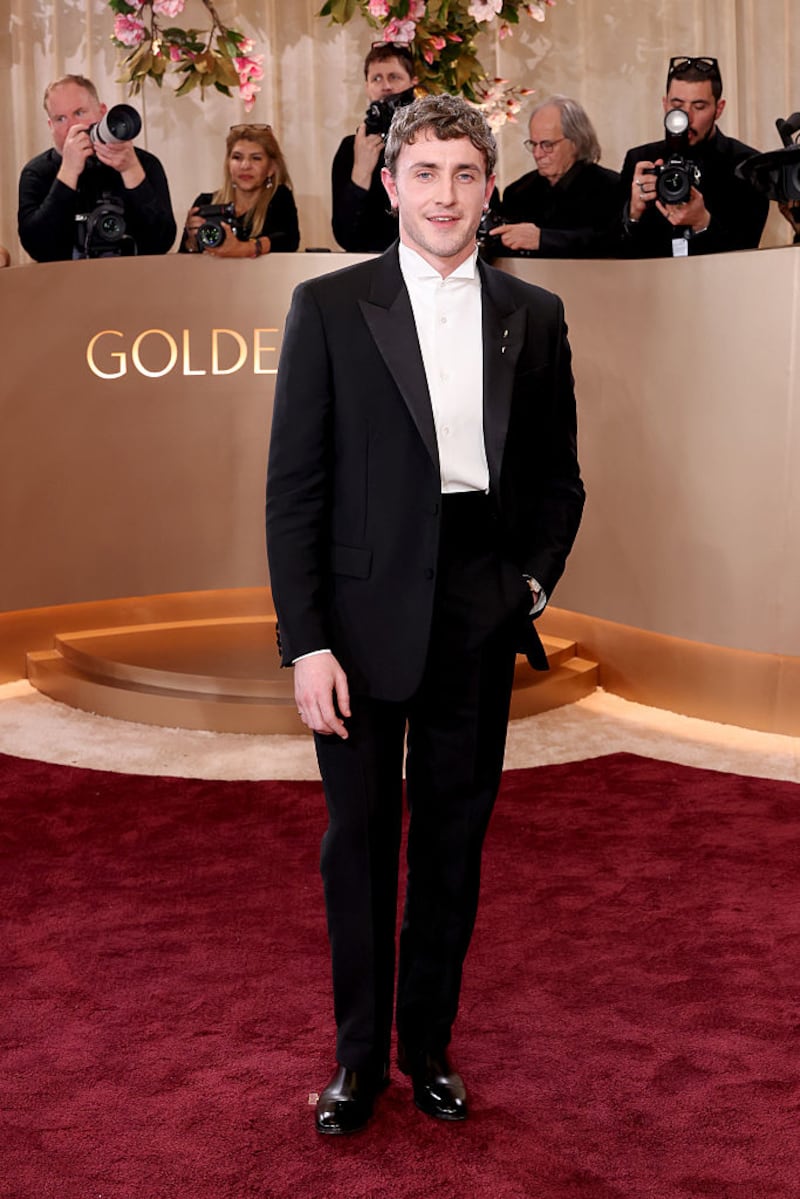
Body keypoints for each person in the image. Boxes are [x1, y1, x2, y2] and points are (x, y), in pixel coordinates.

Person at [266, 93, 585, 1136]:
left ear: (487, 189)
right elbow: (295, 492)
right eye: (425, 173)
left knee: (453, 846)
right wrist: (306, 640)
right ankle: (358, 1061)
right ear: (392, 184)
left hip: (476, 617)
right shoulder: (327, 304)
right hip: (355, 627)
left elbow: (555, 483)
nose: (443, 194)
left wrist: (526, 589)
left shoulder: (529, 314)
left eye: (463, 174)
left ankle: (427, 1048)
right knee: (356, 845)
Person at [620, 56, 768, 257]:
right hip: (652, 286)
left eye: (699, 107)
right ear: (665, 104)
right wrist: (633, 215)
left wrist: (702, 223)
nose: (686, 118)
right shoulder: (640, 160)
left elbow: (748, 253)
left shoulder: (747, 166)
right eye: (677, 106)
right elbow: (614, 253)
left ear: (719, 109)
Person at [18, 74, 176, 262]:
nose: (72, 126)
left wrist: (130, 169)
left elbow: (160, 242)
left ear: (102, 112)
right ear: (50, 126)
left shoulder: (145, 163)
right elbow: (39, 249)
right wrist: (68, 172)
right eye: (60, 118)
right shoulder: (37, 172)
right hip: (64, 285)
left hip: (135, 281)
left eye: (79, 113)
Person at [486, 95, 621, 258]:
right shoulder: (518, 192)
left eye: (547, 145)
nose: (537, 154)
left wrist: (543, 239)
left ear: (576, 142)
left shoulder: (611, 187)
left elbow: (613, 243)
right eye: (533, 144)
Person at [331, 42, 418, 252]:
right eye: (376, 78)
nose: (386, 86)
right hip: (370, 267)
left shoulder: (433, 142)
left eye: (394, 77)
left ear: (413, 83)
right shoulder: (350, 148)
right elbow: (345, 237)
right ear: (367, 87)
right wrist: (361, 172)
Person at [179, 123, 299, 257]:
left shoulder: (280, 197)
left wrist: (244, 249)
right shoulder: (206, 203)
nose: (245, 165)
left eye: (256, 158)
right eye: (237, 157)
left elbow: (288, 240)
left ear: (271, 168)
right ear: (228, 163)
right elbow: (183, 264)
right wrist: (191, 241)